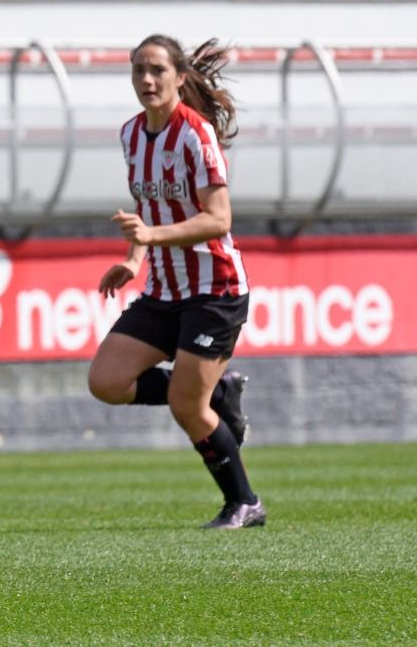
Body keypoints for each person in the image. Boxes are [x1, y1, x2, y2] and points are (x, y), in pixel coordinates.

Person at [87, 34, 264, 530]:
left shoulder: (195, 134)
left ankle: (244, 502)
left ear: (179, 78)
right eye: (139, 69)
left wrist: (151, 235)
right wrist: (134, 256)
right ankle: (218, 393)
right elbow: (148, 210)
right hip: (164, 289)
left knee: (188, 406)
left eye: (157, 70)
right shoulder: (131, 134)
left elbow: (219, 218)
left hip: (216, 289)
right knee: (106, 381)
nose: (147, 79)